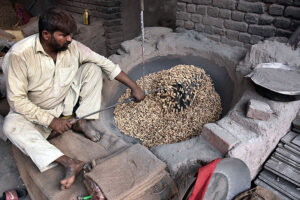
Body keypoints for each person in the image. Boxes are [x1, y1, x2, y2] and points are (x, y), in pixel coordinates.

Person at [2, 7, 145, 190]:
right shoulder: (19, 55)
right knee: (10, 127)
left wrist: (134, 86)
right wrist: (50, 120)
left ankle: (81, 121)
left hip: (63, 103)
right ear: (46, 34)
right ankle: (68, 162)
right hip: (35, 110)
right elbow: (17, 101)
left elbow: (105, 63)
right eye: (64, 35)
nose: (70, 39)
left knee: (93, 67)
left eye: (70, 35)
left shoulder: (73, 47)